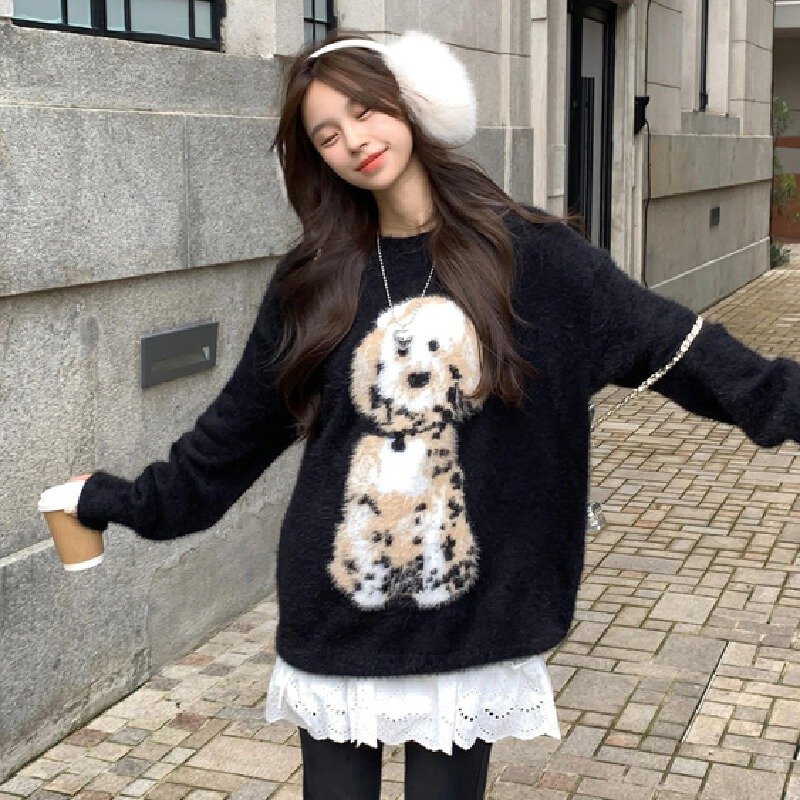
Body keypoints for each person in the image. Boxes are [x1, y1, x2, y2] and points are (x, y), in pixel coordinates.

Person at [44, 28, 800, 800]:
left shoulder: (534, 256)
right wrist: (112, 499)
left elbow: (677, 346)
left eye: (365, 110)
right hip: (339, 615)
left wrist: (787, 401)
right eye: (326, 135)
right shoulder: (314, 281)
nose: (353, 141)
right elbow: (227, 442)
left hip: (471, 618)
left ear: (411, 104)